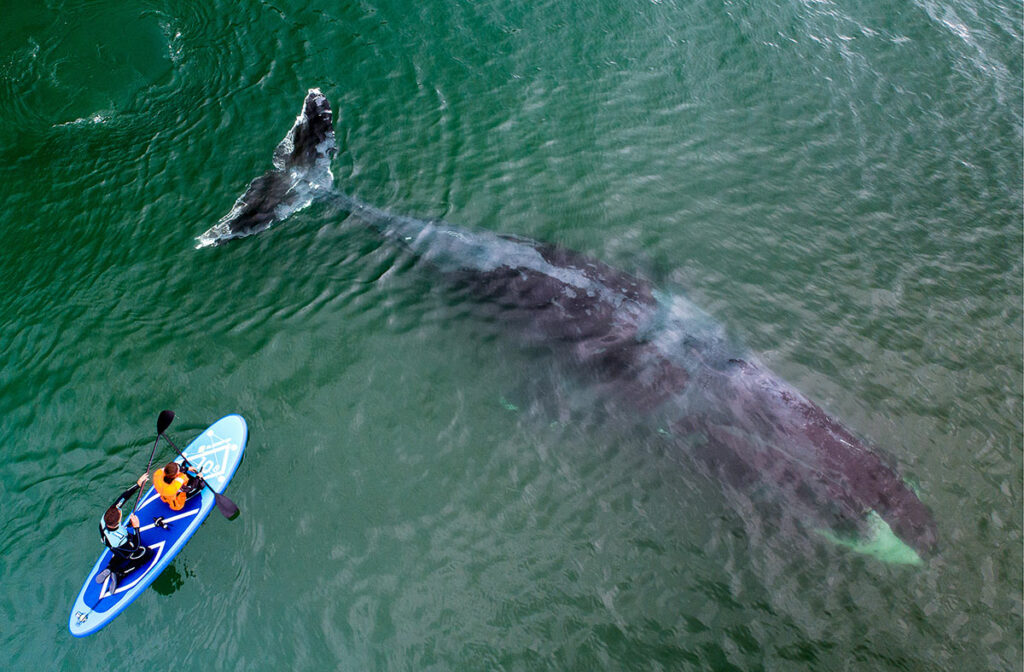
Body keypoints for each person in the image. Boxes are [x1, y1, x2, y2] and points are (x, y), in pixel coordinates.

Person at [99, 473, 152, 577]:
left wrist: (138, 484)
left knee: (120, 554)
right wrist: (136, 527)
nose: (120, 511)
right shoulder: (119, 538)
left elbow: (123, 497)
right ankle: (121, 573)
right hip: (121, 545)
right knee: (147, 553)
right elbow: (135, 546)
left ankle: (110, 567)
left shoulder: (107, 515)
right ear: (118, 522)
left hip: (111, 544)